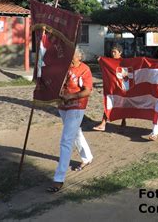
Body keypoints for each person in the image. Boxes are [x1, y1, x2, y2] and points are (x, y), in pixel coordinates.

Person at [47, 47, 94, 193]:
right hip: (62, 105)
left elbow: (87, 91)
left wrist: (72, 97)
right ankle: (87, 157)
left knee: (66, 139)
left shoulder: (84, 69)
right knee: (76, 133)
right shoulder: (63, 67)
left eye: (71, 54)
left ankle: (59, 178)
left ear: (79, 56)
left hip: (77, 105)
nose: (69, 57)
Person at [92, 44, 126, 131]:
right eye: (112, 52)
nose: (113, 53)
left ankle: (123, 120)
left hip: (121, 88)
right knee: (108, 104)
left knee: (122, 105)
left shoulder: (124, 62)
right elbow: (103, 63)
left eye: (115, 52)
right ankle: (103, 124)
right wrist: (100, 59)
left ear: (120, 52)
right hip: (111, 88)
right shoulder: (109, 61)